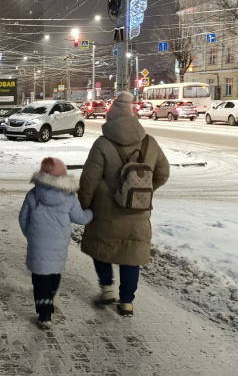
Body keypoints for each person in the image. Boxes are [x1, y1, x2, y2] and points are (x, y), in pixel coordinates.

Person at [78, 91, 170, 317]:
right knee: (131, 256)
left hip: (105, 211)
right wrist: (142, 192)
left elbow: (89, 180)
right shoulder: (149, 142)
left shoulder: (102, 144)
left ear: (111, 119)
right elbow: (163, 173)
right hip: (138, 213)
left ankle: (107, 288)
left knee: (101, 250)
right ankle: (127, 302)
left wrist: (85, 204)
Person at [19, 157, 93, 329]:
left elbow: (23, 218)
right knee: (53, 275)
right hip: (58, 247)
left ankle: (44, 314)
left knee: (39, 279)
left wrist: (30, 234)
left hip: (37, 246)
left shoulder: (33, 194)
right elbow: (80, 218)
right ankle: (49, 300)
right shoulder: (69, 197)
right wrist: (91, 213)